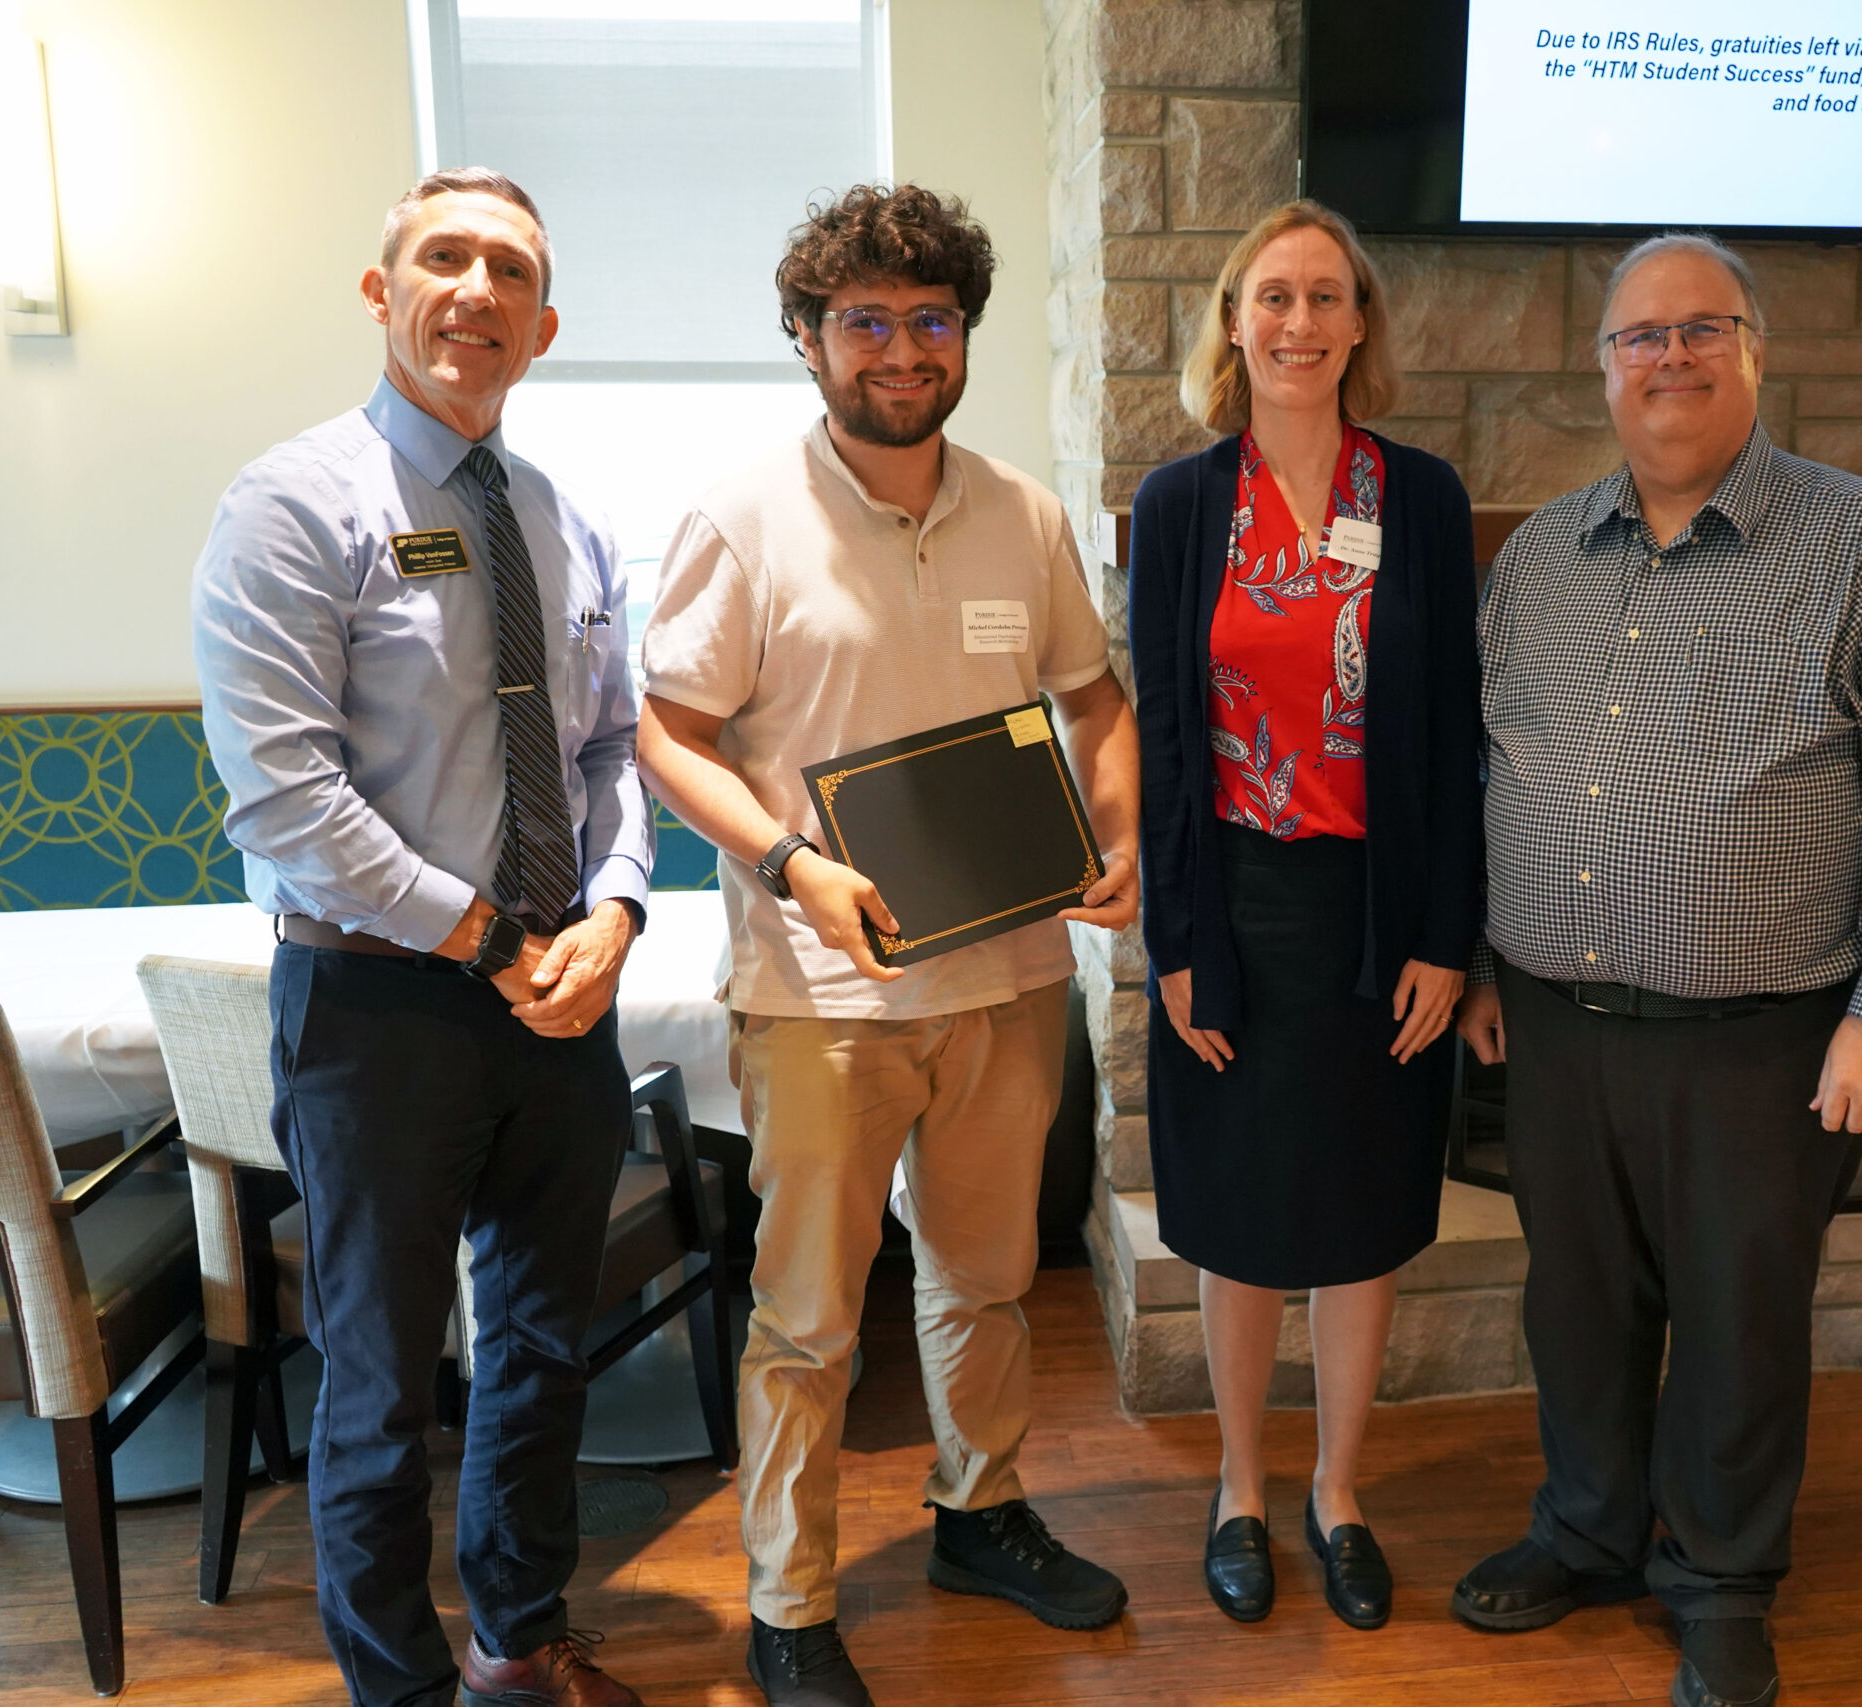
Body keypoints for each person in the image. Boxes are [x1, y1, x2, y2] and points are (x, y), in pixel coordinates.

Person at [1450, 231, 1862, 1707]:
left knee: (1739, 1319)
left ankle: (1718, 1576)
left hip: (1764, 1036)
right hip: (1559, 1022)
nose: (1671, 359)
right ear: (1604, 368)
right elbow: (1484, 769)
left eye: (1704, 330)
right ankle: (1587, 1530)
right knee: (1575, 1303)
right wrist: (1486, 965)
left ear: (1757, 352)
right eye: (1642, 336)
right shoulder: (1541, 563)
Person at [637, 183, 1141, 1707]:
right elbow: (670, 736)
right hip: (823, 995)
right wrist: (791, 866)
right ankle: (789, 1602)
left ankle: (978, 1514)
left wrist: (1120, 839)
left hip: (1008, 982)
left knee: (988, 1280)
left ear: (963, 335)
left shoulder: (1024, 513)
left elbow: (1094, 703)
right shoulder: (740, 519)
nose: (903, 349)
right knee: (807, 1317)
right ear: (807, 338)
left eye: (930, 320)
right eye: (866, 320)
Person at [193, 168, 651, 1707]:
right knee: (382, 1391)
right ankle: (395, 1690)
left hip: (556, 1006)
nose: (476, 290)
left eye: (508, 270)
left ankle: (517, 1642)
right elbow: (283, 796)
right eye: (441, 258)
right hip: (379, 1008)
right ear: (381, 292)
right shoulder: (291, 505)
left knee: (541, 1353)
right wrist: (478, 936)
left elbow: (613, 754)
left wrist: (619, 907)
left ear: (544, 324)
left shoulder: (563, 519)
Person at [1127, 201, 1483, 1632]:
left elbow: (1457, 726)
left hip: (1379, 911)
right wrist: (1175, 944)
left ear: (1358, 325)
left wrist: (1445, 934)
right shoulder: (1179, 505)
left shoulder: (1425, 499)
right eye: (1270, 296)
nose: (1297, 322)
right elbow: (1162, 739)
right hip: (1237, 907)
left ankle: (1339, 1490)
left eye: (1325, 297)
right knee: (1242, 1219)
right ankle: (1242, 1488)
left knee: (1361, 1214)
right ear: (1232, 320)